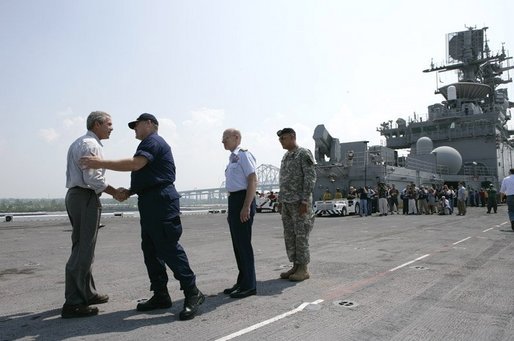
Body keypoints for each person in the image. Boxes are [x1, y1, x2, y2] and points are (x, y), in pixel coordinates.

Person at [81, 113, 204, 320]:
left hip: (162, 201)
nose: (134, 129)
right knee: (150, 250)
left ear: (149, 124)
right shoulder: (147, 144)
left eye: (136, 125)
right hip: (149, 201)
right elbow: (146, 175)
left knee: (168, 247)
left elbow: (136, 164)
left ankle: (193, 292)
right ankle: (160, 294)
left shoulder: (153, 141)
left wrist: (99, 163)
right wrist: (129, 191)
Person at [62, 111, 124, 318]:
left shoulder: (80, 142)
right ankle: (74, 302)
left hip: (77, 196)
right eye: (109, 124)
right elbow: (93, 178)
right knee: (83, 250)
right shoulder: (91, 145)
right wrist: (115, 192)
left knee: (83, 246)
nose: (111, 128)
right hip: (85, 197)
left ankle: (87, 292)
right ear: (97, 124)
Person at [221, 128, 258, 299]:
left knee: (243, 244)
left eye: (225, 138)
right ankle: (242, 280)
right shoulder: (232, 158)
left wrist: (246, 206)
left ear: (236, 137)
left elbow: (252, 179)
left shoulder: (243, 154)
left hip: (243, 199)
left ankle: (249, 285)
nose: (223, 141)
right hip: (234, 201)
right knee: (237, 245)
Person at [276, 128, 316, 281]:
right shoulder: (286, 156)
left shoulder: (303, 154)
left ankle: (303, 268)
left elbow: (310, 178)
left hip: (299, 202)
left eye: (283, 138)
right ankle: (295, 265)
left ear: (292, 137)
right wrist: (280, 201)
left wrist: (305, 200)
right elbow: (283, 180)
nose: (281, 142)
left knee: (301, 235)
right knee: (290, 235)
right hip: (287, 202)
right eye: (280, 140)